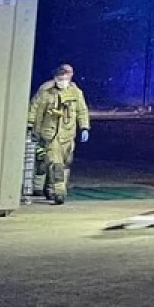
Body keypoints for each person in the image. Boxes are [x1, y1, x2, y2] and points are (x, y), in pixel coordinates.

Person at [28, 64, 90, 205]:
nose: (63, 80)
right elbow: (35, 107)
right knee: (55, 164)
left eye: (66, 77)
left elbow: (82, 110)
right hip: (50, 134)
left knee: (65, 163)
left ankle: (50, 188)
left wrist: (84, 127)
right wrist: (30, 125)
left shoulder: (75, 92)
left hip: (68, 134)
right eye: (60, 77)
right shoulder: (46, 91)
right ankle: (59, 192)